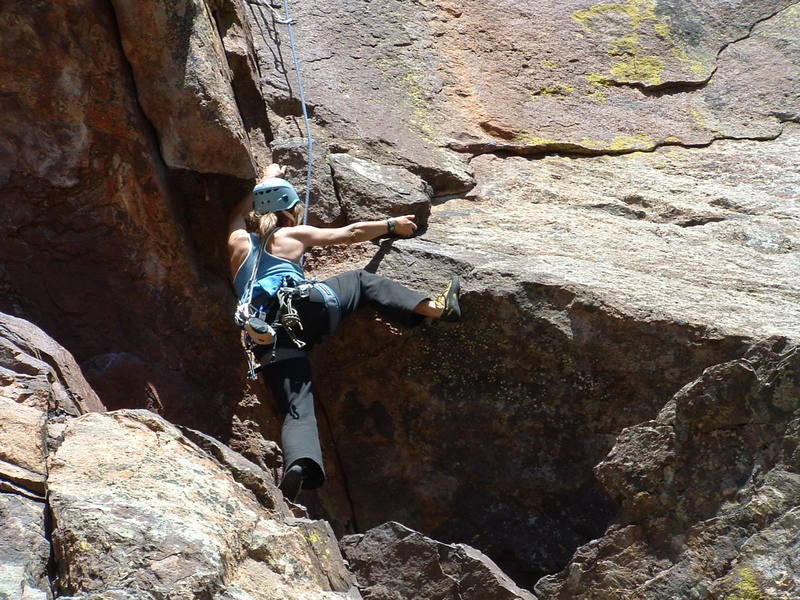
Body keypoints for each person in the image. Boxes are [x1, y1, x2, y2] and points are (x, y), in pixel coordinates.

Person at [227, 163, 461, 501]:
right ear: (291, 211)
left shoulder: (236, 242)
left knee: (297, 407)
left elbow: (235, 216)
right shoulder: (290, 235)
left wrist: (263, 182)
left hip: (269, 340)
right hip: (302, 309)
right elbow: (349, 234)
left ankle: (299, 467)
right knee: (361, 282)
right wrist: (390, 225)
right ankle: (434, 308)